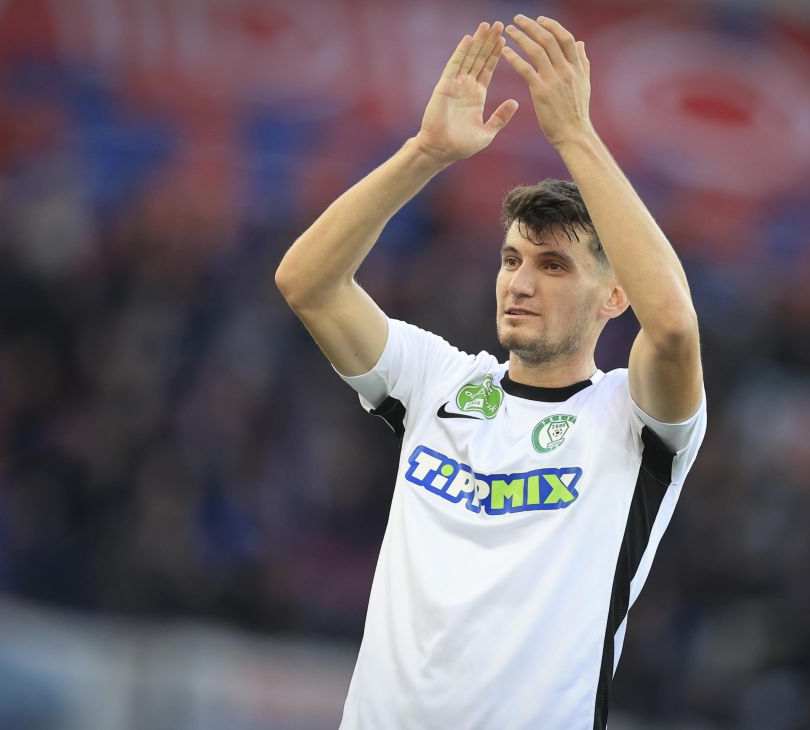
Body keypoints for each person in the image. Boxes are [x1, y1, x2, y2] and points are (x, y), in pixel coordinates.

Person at [275, 14, 706, 729]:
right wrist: (425, 153)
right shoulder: (437, 381)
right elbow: (307, 283)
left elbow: (674, 324)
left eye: (553, 266)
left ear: (614, 295)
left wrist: (575, 135)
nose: (521, 283)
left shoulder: (632, 421)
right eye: (511, 260)